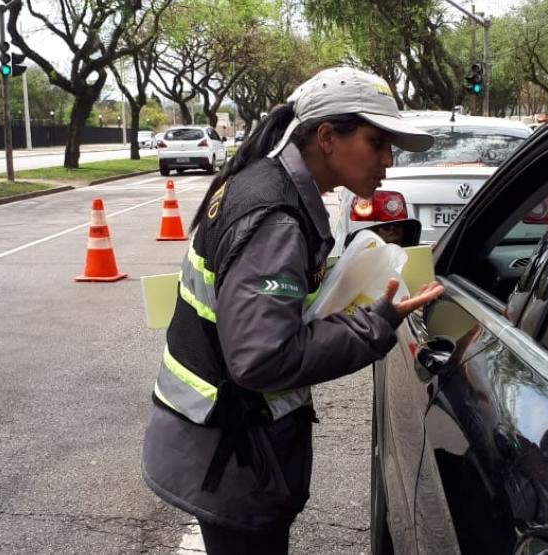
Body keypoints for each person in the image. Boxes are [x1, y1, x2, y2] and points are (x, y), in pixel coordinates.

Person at [141, 66, 442, 554]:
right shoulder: (275, 215)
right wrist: (378, 323)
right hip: (235, 453)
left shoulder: (259, 182)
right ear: (327, 137)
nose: (388, 160)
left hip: (219, 442)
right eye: (377, 142)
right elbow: (261, 357)